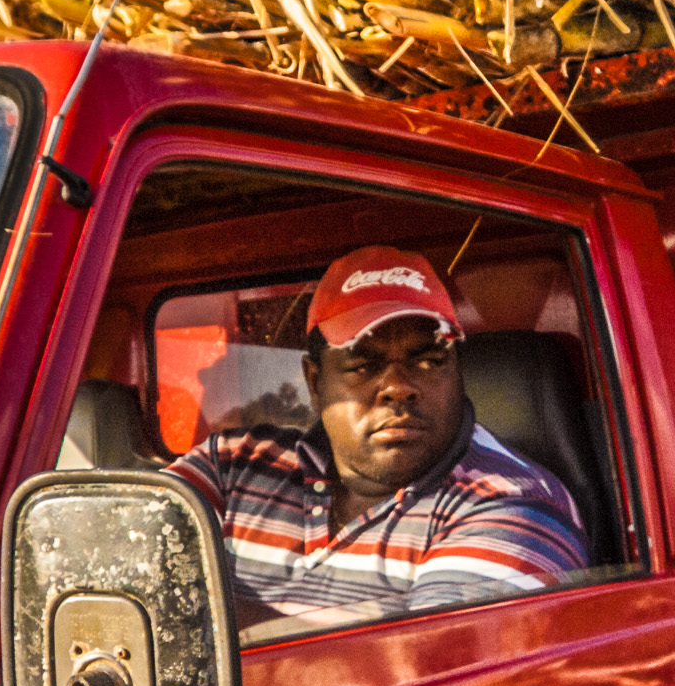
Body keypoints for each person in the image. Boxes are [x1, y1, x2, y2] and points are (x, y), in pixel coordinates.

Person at [167, 245, 587, 623]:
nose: (398, 387)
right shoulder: (234, 463)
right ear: (315, 383)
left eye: (427, 361)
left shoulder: (517, 505)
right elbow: (116, 558)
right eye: (363, 364)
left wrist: (193, 616)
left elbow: (422, 673)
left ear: (458, 371)